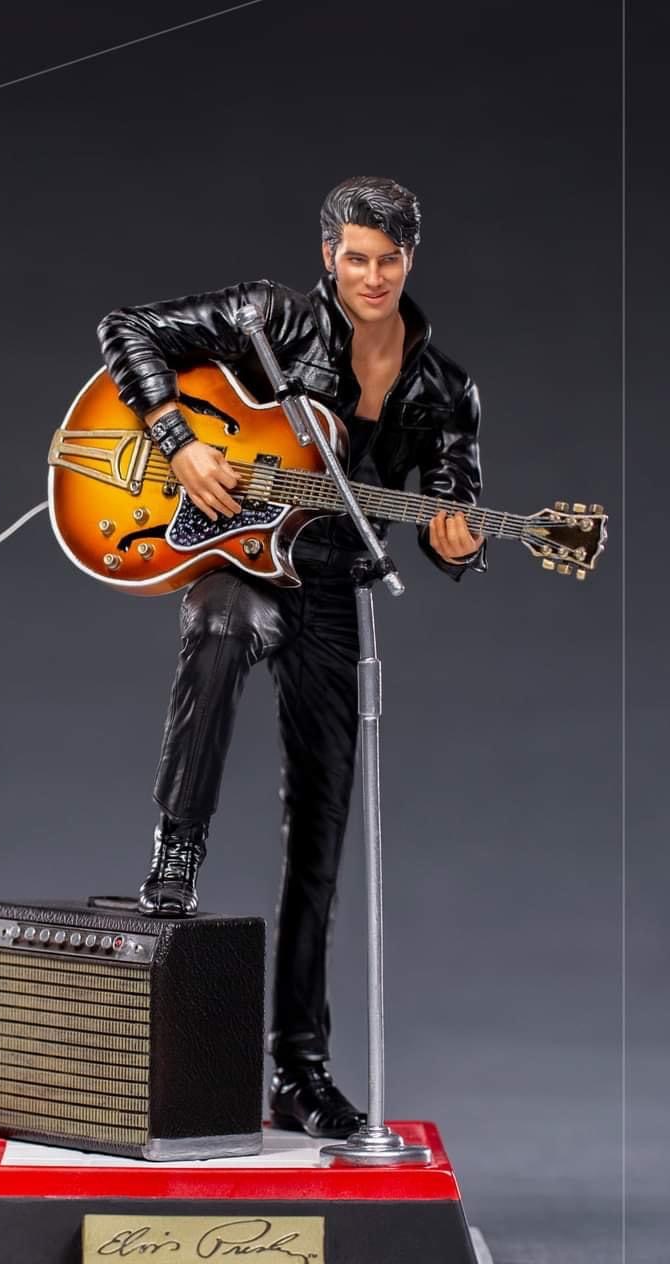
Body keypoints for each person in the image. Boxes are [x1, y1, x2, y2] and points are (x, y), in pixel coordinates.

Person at [96, 176, 486, 1138]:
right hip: (245, 562)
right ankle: (177, 845)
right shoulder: (268, 319)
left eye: (389, 260)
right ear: (328, 256)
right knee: (216, 622)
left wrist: (458, 538)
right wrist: (178, 440)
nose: (372, 277)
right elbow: (127, 329)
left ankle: (299, 1071)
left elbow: (452, 498)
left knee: (320, 831)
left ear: (411, 259)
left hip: (335, 585)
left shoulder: (444, 389)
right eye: (355, 258)